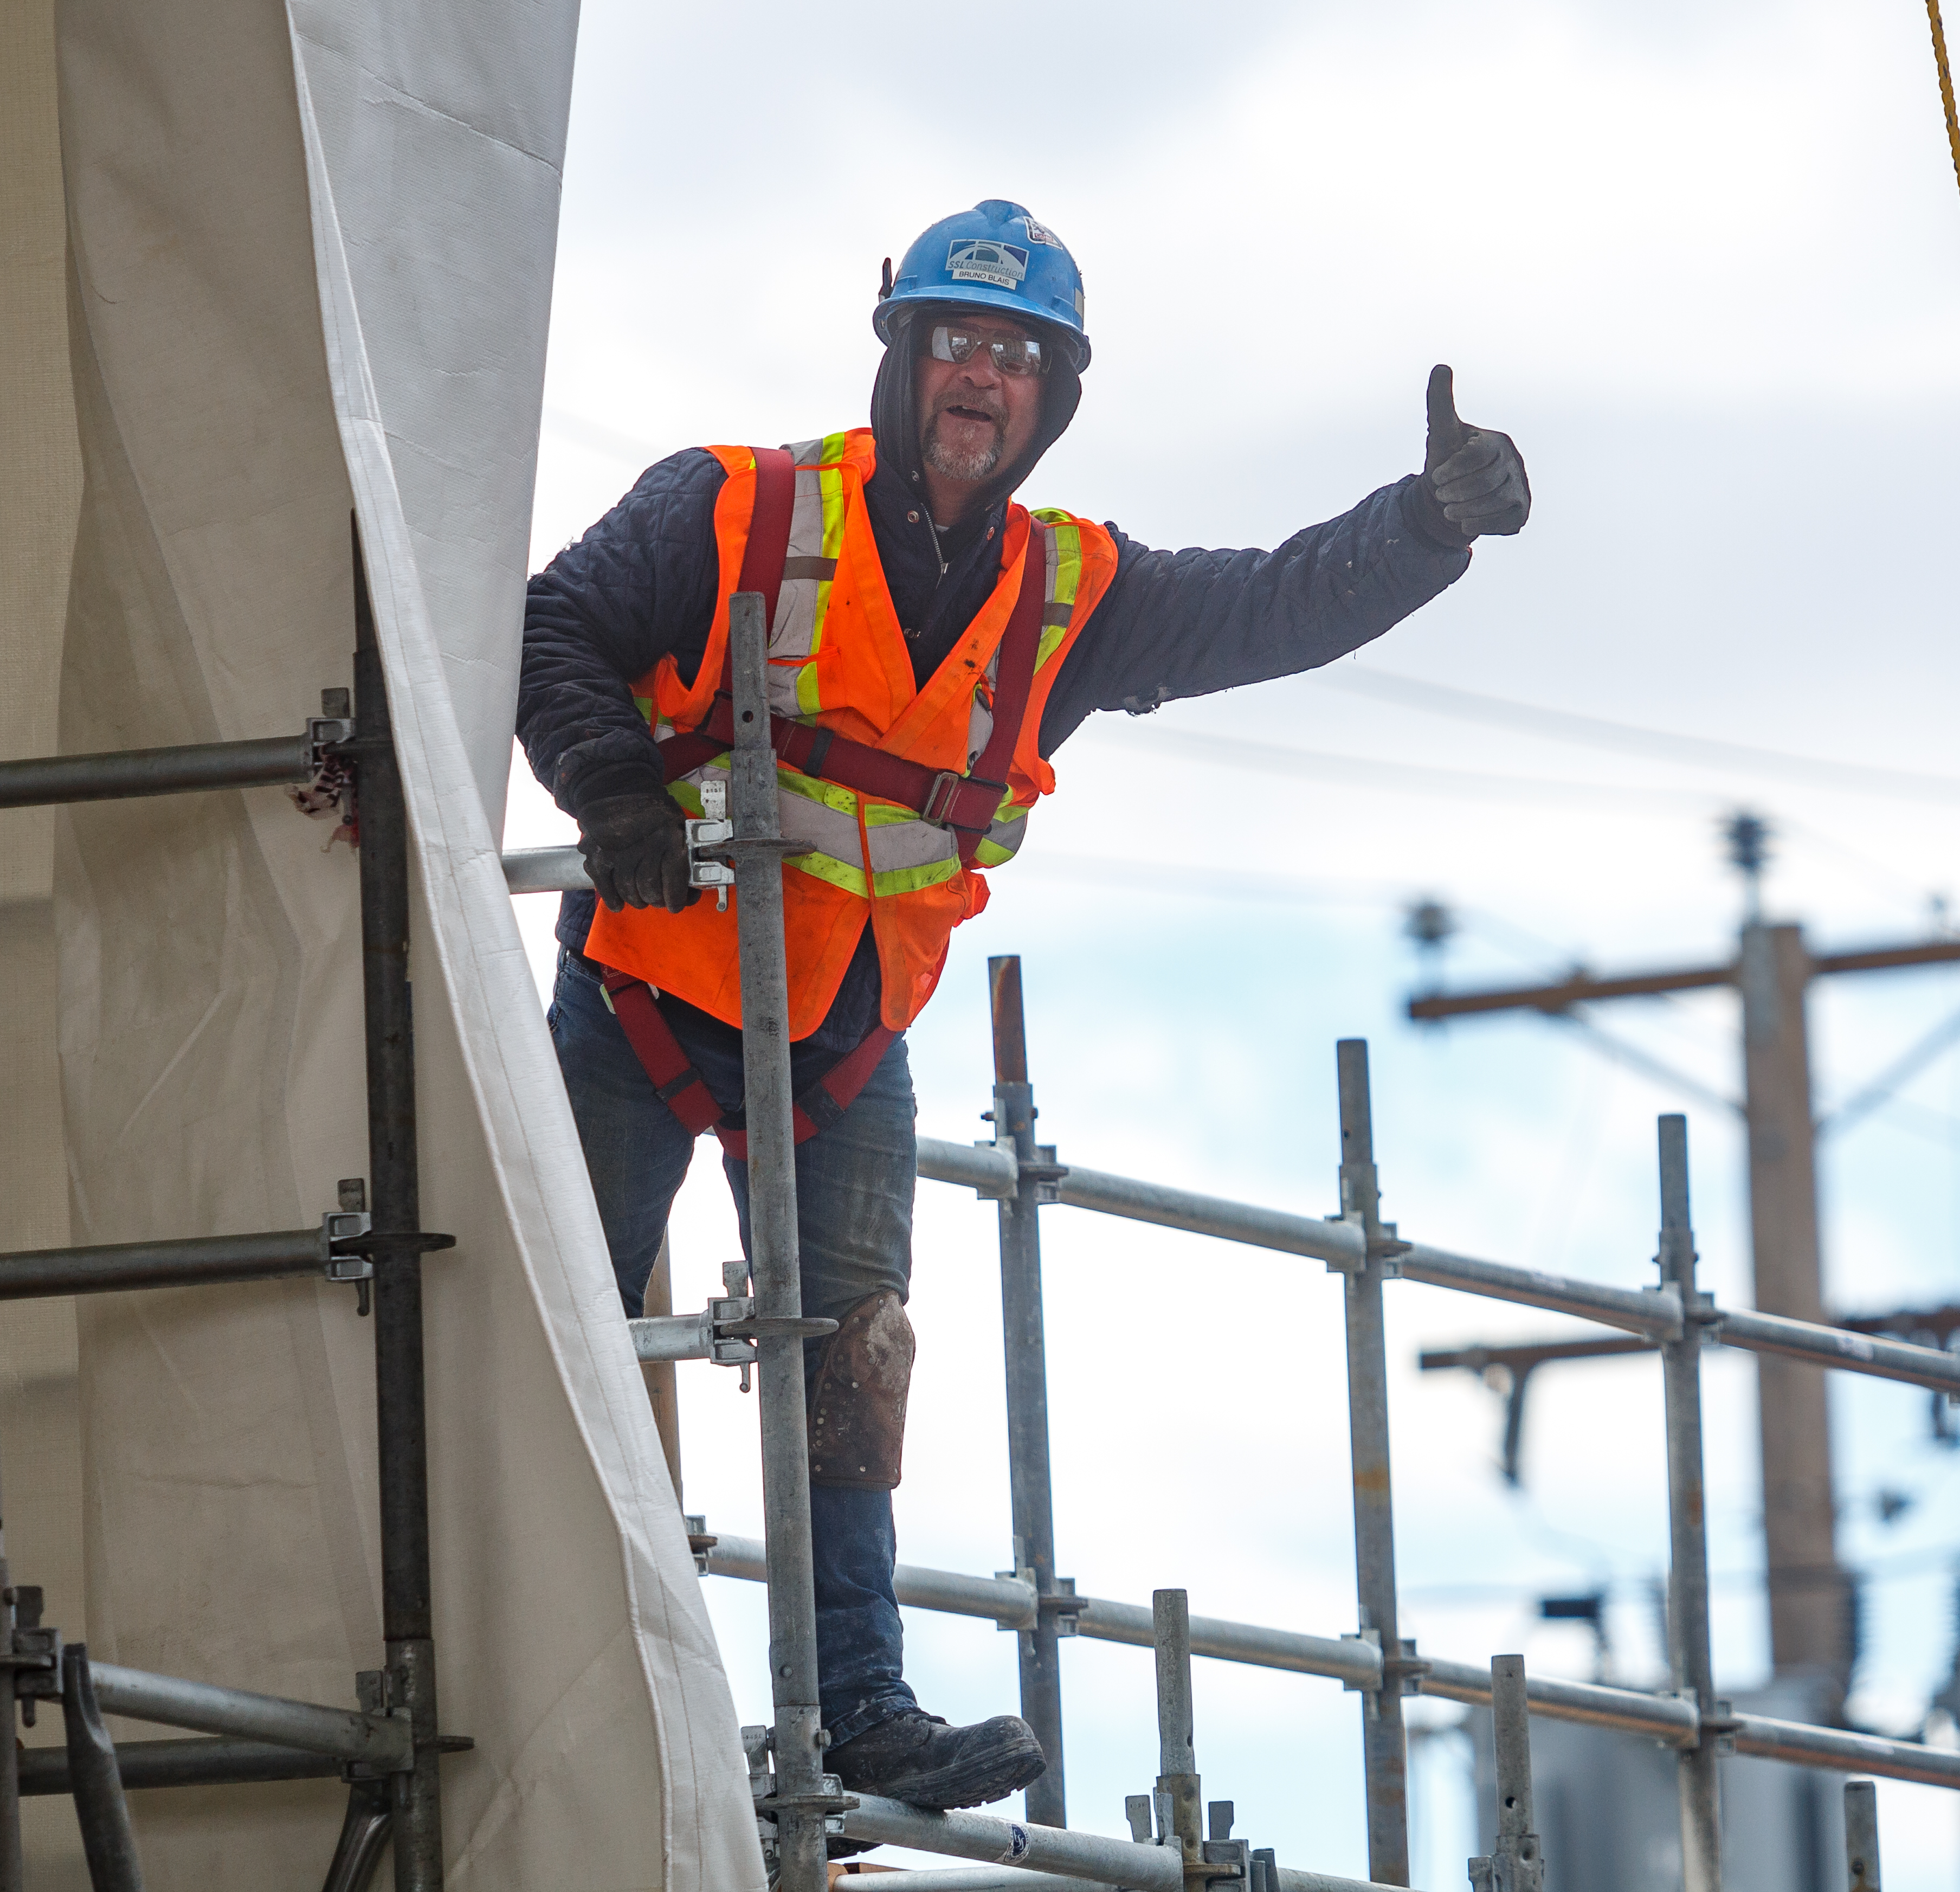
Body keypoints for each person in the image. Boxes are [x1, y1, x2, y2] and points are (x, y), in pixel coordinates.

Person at [515, 199, 1527, 1812]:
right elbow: (553, 618)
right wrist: (611, 789)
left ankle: (854, 1699)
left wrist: (1422, 526)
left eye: (1015, 356)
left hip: (845, 1037)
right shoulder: (735, 506)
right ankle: (533, 1659)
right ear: (900, 358)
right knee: (548, 1333)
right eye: (955, 345)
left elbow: (1263, 603)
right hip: (643, 1003)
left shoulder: (1066, 592)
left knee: (857, 1355)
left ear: (1054, 395)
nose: (980, 378)